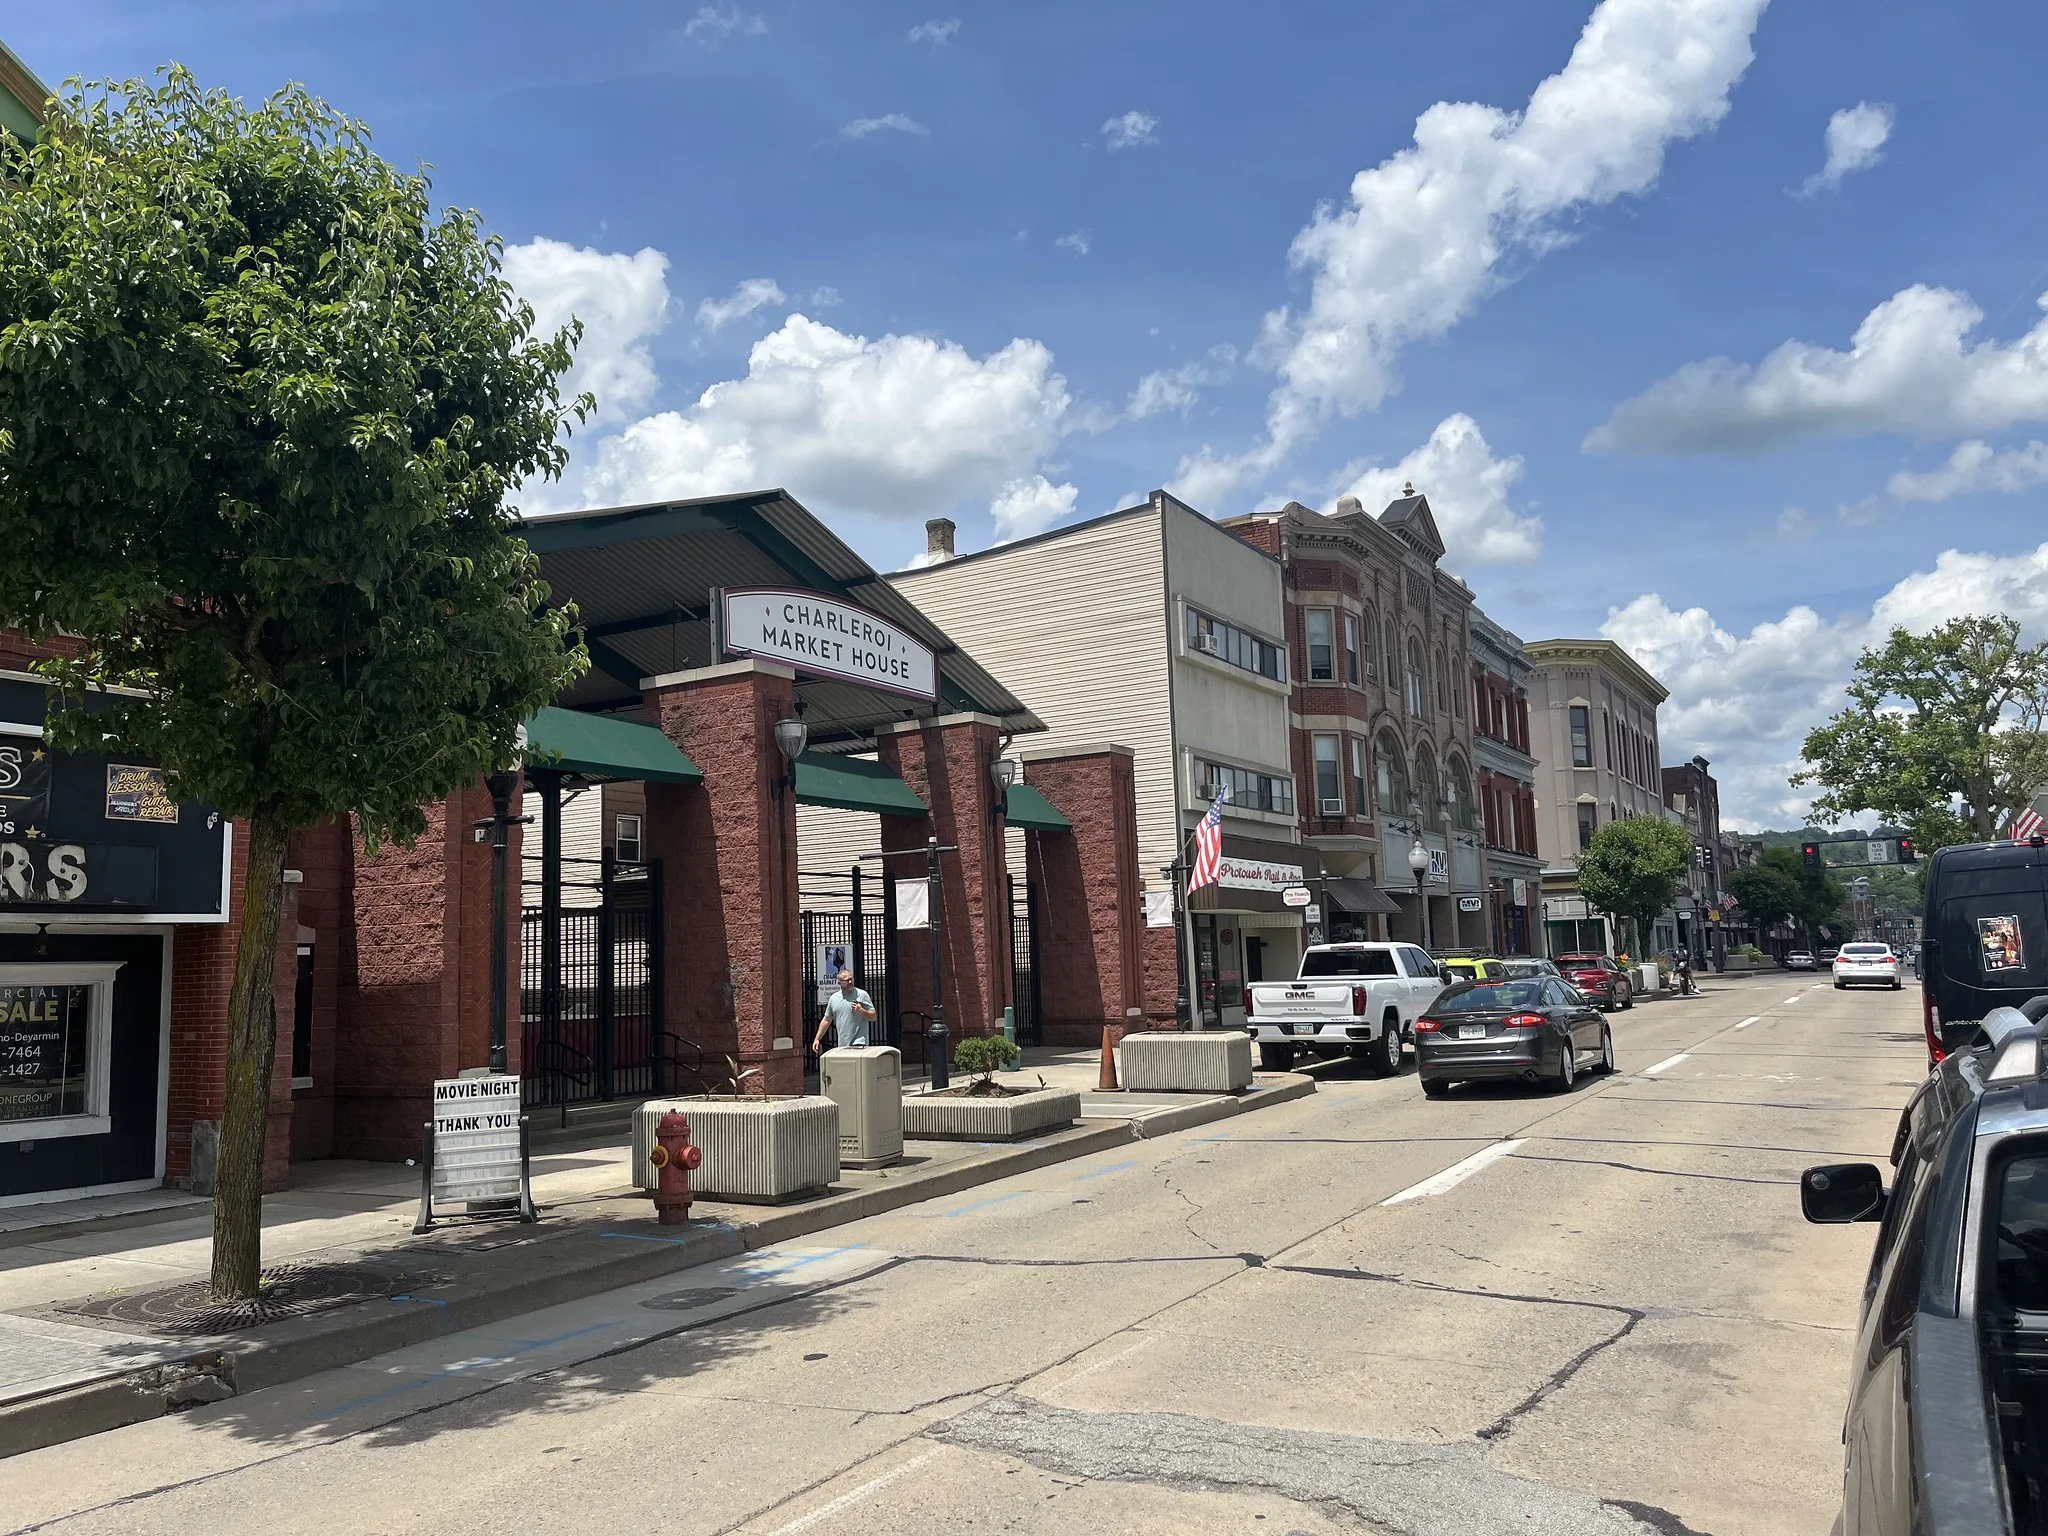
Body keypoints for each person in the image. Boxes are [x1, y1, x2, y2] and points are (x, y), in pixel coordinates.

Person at [813, 968, 877, 1055]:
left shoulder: (862, 995)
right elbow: (827, 1020)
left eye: (851, 979)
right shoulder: (834, 998)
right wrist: (817, 1038)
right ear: (839, 982)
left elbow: (873, 1017)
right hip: (843, 1045)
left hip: (859, 1044)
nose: (850, 982)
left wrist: (861, 1011)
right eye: (846, 980)